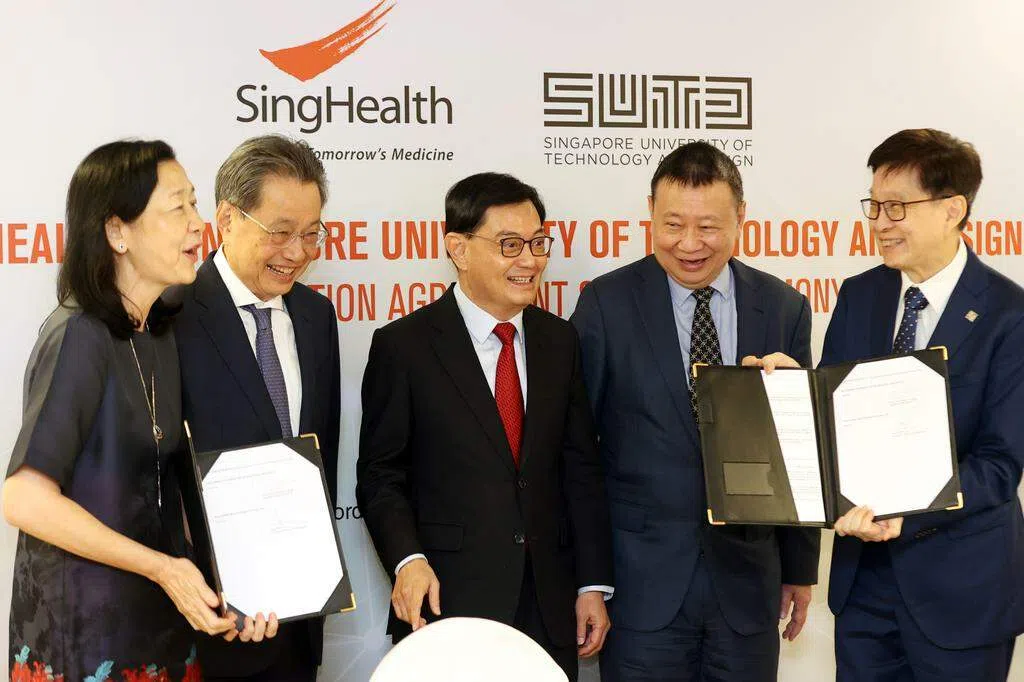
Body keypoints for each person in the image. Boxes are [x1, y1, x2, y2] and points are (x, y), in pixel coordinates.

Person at [570, 142, 820, 681]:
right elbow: (576, 451)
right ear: (650, 214)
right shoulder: (606, 305)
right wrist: (589, 580)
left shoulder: (783, 308)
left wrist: (800, 567)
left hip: (748, 589)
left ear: (741, 217)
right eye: (672, 225)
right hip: (639, 591)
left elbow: (801, 453)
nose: (688, 244)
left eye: (708, 227)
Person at [356, 172, 613, 681]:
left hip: (549, 605)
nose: (530, 260)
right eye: (509, 245)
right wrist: (408, 560)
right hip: (447, 600)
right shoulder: (404, 347)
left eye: (538, 243)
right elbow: (382, 476)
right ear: (458, 248)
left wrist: (591, 585)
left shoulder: (560, 342)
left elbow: (580, 468)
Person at [3, 140, 236, 681]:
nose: (198, 224)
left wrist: (223, 583)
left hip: (159, 628)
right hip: (86, 641)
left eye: (194, 203)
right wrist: (164, 569)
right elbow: (23, 498)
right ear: (117, 232)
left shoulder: (157, 328)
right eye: (177, 207)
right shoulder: (78, 335)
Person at [820, 129, 1024, 681]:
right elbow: (832, 418)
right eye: (874, 205)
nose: (880, 223)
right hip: (864, 587)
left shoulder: (1009, 315)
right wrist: (790, 390)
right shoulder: (859, 295)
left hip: (963, 593)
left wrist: (905, 512)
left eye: (897, 207)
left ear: (952, 210)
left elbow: (999, 465)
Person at [172, 134, 340, 682]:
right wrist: (211, 586)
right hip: (208, 625)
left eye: (311, 234)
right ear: (226, 219)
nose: (298, 252)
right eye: (281, 232)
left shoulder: (316, 318)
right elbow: (153, 478)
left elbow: (321, 456)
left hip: (299, 623)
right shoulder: (171, 316)